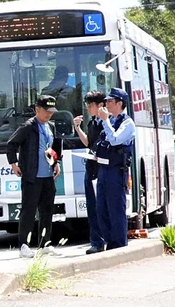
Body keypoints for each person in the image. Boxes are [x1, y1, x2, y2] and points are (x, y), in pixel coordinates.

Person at [6, 95, 63, 258]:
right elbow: (11, 144)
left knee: (47, 211)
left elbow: (54, 148)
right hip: (32, 175)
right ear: (37, 109)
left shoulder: (51, 126)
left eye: (51, 112)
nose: (49, 115)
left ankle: (44, 243)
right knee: (28, 211)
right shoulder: (28, 126)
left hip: (48, 176)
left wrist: (56, 163)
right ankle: (23, 244)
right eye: (46, 111)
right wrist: (14, 164)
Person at [95, 87, 135, 250]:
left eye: (110, 101)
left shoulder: (127, 123)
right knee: (101, 208)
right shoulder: (110, 120)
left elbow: (115, 140)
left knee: (116, 208)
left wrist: (105, 121)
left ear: (120, 103)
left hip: (116, 171)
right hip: (103, 169)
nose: (107, 104)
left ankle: (118, 243)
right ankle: (109, 240)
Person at [73, 90, 107, 254]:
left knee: (102, 207)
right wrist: (77, 128)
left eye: (90, 105)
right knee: (92, 207)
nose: (88, 108)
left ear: (100, 105)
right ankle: (96, 241)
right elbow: (88, 142)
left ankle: (103, 240)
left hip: (101, 169)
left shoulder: (107, 123)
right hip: (90, 168)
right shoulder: (92, 122)